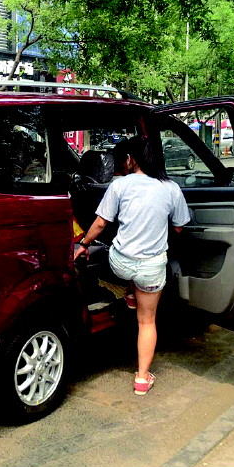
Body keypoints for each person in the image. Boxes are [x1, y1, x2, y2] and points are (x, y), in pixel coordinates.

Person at [74, 136, 190, 395]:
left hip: (120, 264)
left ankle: (129, 291)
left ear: (130, 159)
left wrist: (83, 244)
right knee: (147, 322)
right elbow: (180, 227)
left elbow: (101, 223)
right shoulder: (171, 188)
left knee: (118, 255)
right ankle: (142, 379)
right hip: (150, 269)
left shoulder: (119, 185)